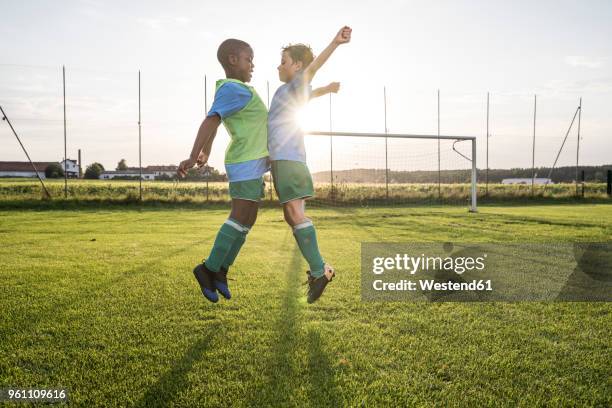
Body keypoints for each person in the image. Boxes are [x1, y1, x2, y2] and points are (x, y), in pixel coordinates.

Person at [178, 38, 268, 303]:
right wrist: (194, 155)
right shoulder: (233, 88)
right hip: (246, 161)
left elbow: (218, 121)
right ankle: (207, 269)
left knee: (248, 219)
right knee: (240, 215)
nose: (252, 64)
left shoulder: (237, 89)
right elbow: (211, 120)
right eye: (248, 59)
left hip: (252, 162)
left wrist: (207, 150)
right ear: (232, 60)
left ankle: (221, 270)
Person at [268, 26, 352, 303]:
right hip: (288, 161)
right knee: (292, 216)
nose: (279, 65)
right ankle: (320, 270)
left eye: (283, 61)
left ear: (298, 65)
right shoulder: (289, 90)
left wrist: (335, 43)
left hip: (289, 161)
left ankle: (321, 270)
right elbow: (307, 91)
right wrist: (325, 91)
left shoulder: (297, 81)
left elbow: (313, 70)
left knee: (294, 214)